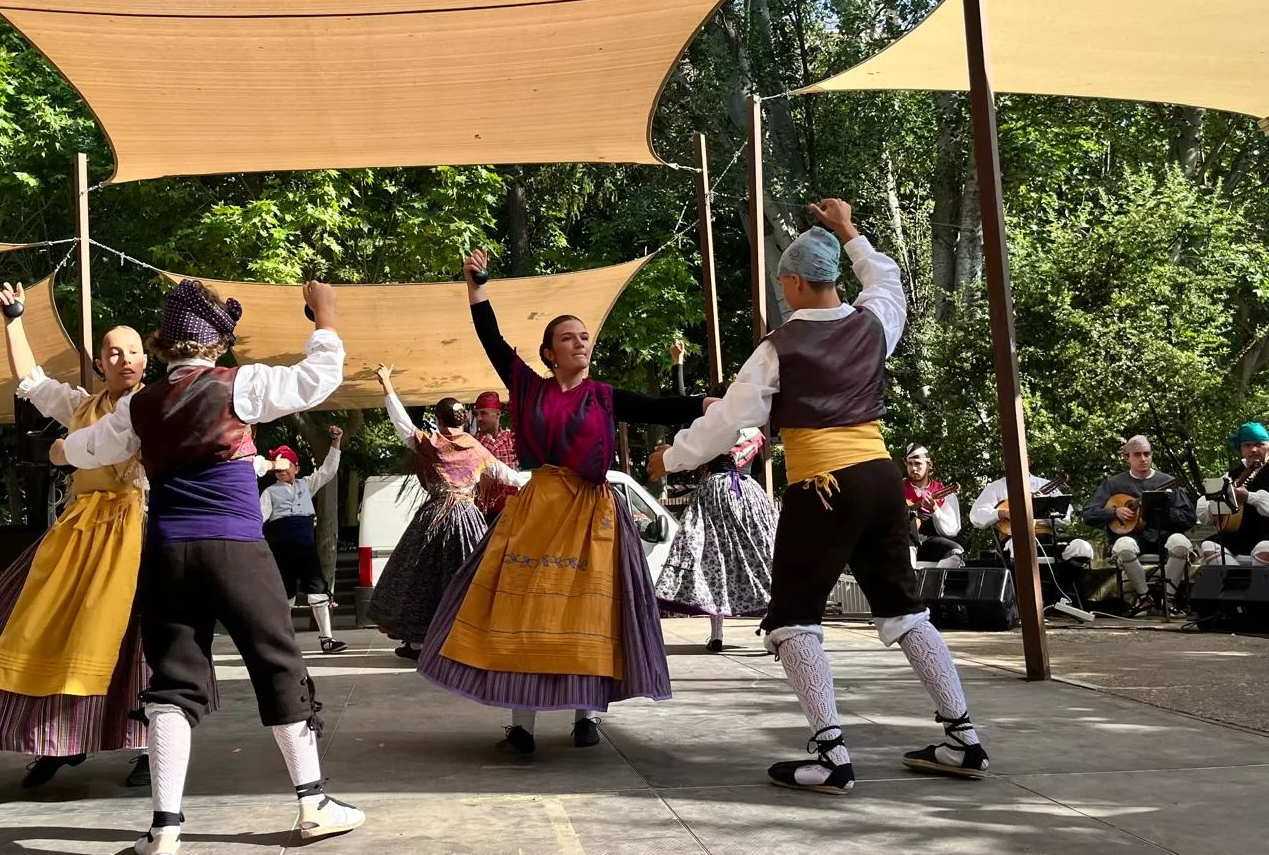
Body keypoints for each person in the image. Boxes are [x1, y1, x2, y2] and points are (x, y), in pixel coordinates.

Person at [649, 200, 989, 794]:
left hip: (824, 487)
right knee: (905, 609)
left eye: (783, 280)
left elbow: (728, 420)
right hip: (881, 479)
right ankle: (962, 739)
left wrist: (671, 457)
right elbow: (887, 281)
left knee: (793, 618)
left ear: (799, 282)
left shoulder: (780, 347)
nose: (782, 289)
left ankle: (830, 754)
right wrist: (850, 231)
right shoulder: (873, 323)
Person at [53, 279, 364, 851]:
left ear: (164, 347)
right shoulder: (240, 385)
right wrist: (325, 318)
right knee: (276, 664)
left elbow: (87, 448)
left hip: (168, 554)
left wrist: (61, 450)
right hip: (236, 548)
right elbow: (318, 379)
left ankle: (165, 829)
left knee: (172, 683)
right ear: (217, 344)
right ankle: (313, 802)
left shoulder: (139, 405)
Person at [418, 249, 707, 757]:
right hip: (539, 507)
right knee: (521, 609)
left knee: (590, 616)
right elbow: (492, 341)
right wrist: (477, 288)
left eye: (584, 336)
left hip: (594, 510)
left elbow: (662, 408)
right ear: (548, 353)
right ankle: (522, 725)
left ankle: (587, 716)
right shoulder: (528, 387)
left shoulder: (604, 395)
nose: (581, 343)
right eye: (568, 337)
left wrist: (712, 401)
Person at [0, 282, 151, 791]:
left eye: (135, 351)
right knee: (46, 625)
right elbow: (30, 381)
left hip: (139, 532)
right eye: (114, 352)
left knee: (139, 638)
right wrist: (13, 320)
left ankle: (147, 746)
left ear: (147, 359)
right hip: (79, 534)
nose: (125, 359)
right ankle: (59, 737)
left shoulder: (158, 406)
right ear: (100, 362)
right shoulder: (80, 405)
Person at [370, 366, 524, 660]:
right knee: (473, 577)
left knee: (418, 578)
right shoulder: (477, 449)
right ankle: (475, 637)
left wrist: (387, 384)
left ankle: (419, 642)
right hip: (468, 517)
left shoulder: (432, 445)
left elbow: (401, 423)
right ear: (464, 420)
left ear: (438, 421)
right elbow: (511, 477)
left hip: (433, 518)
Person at [654, 337, 777, 653]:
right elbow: (759, 468)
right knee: (763, 555)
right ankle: (775, 622)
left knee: (713, 559)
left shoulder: (714, 428)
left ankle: (717, 631)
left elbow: (682, 407)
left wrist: (678, 365)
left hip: (714, 493)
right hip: (748, 495)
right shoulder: (754, 432)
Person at [1081, 436, 1196, 616]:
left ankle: (1170, 599)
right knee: (1124, 546)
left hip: (1163, 536)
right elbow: (1088, 514)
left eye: (1147, 454)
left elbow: (1188, 518)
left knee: (1180, 542)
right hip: (1131, 538)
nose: (1143, 459)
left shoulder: (1168, 482)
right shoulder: (1113, 484)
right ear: (1127, 458)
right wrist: (1114, 513)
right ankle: (1144, 599)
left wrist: (1159, 513)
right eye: (1137, 455)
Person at [260, 435, 347, 655]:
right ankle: (282, 643)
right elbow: (259, 518)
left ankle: (327, 639)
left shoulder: (306, 485)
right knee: (284, 595)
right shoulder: (270, 492)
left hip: (306, 549)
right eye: (277, 467)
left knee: (317, 591)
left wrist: (335, 443)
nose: (281, 471)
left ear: (296, 468)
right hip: (281, 550)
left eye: (285, 466)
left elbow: (327, 471)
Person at [1198, 422, 1269, 568]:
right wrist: (1214, 507)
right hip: (1240, 535)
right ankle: (1238, 584)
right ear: (1240, 449)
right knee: (1210, 545)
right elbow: (1207, 499)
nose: (1254, 449)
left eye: (1259, 444)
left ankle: (1260, 589)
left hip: (1267, 533)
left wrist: (1249, 497)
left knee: (1264, 548)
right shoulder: (1232, 475)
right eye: (1247, 445)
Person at [903, 444, 966, 568]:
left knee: (956, 554)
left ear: (929, 466)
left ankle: (933, 585)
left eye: (918, 463)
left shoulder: (943, 493)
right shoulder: (897, 488)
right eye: (910, 464)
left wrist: (935, 510)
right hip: (902, 540)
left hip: (929, 541)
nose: (913, 468)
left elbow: (952, 530)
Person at [472, 391, 519, 519]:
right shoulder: (472, 443)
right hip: (483, 510)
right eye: (476, 414)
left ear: (498, 414)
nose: (479, 418)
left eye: (484, 413)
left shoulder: (513, 440)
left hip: (512, 508)